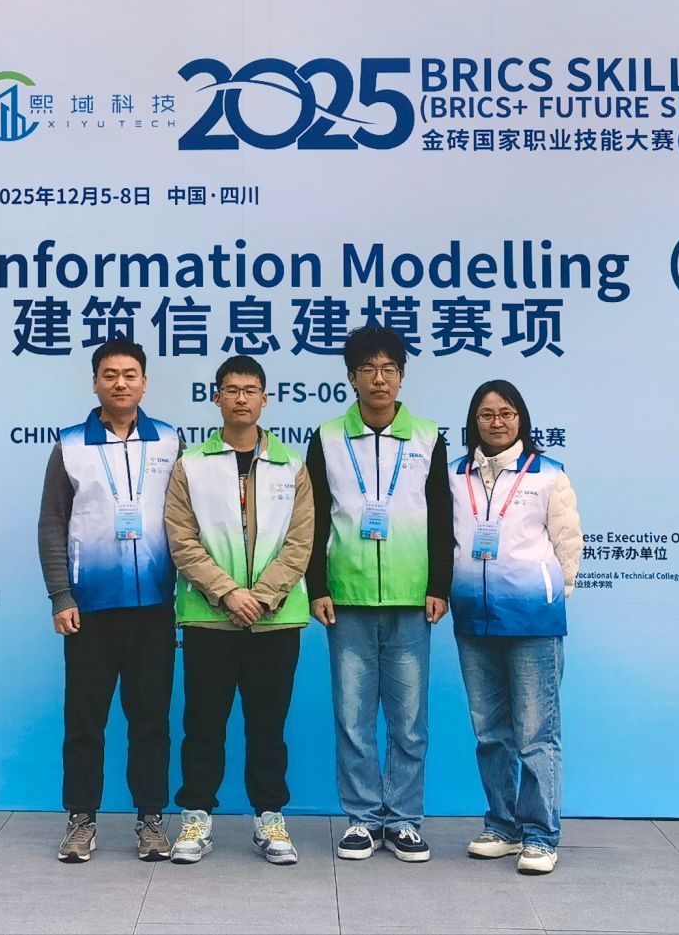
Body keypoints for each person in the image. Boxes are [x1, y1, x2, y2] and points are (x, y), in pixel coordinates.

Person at [304, 324, 454, 862]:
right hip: (346, 599)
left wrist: (439, 585)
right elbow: (314, 518)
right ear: (351, 378)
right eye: (367, 369)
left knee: (410, 721)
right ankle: (363, 819)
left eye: (389, 369)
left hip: (413, 600)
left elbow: (442, 515)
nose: (379, 379)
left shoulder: (428, 438)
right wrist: (316, 586)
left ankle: (405, 819)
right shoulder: (326, 438)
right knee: (353, 719)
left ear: (402, 376)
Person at [162, 355, 316, 866]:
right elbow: (182, 540)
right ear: (217, 398)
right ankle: (196, 816)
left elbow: (301, 542)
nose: (241, 398)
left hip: (275, 619)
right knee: (203, 723)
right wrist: (228, 592)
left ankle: (269, 817)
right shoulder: (191, 465)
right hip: (210, 617)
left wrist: (263, 596)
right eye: (231, 390)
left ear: (265, 399)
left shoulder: (292, 465)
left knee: (267, 726)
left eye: (251, 390)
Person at [37, 338, 182, 863]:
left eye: (130, 374)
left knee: (151, 721)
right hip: (90, 609)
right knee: (85, 720)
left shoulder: (169, 440)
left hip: (154, 608)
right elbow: (52, 523)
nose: (120, 383)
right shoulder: (71, 444)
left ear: (144, 382)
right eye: (110, 374)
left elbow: (186, 521)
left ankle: (151, 820)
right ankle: (81, 820)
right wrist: (61, 595)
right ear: (95, 382)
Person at [448, 380, 581, 875]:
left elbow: (568, 543)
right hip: (473, 619)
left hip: (532, 621)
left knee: (535, 733)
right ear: (474, 422)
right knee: (490, 732)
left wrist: (550, 595)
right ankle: (502, 826)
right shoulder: (454, 475)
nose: (497, 422)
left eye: (506, 413)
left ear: (521, 418)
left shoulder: (548, 474)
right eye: (486, 414)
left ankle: (541, 835)